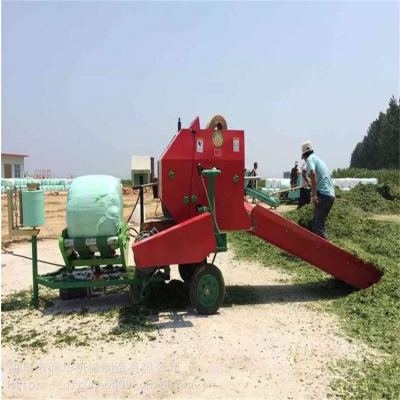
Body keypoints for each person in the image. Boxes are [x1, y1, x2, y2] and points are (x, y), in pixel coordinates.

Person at [302, 140, 335, 240]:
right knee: (317, 222)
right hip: (329, 194)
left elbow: (313, 174)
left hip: (324, 194)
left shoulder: (310, 159)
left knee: (318, 225)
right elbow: (315, 177)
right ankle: (318, 249)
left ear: (304, 155)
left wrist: (314, 195)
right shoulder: (317, 159)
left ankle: (328, 252)